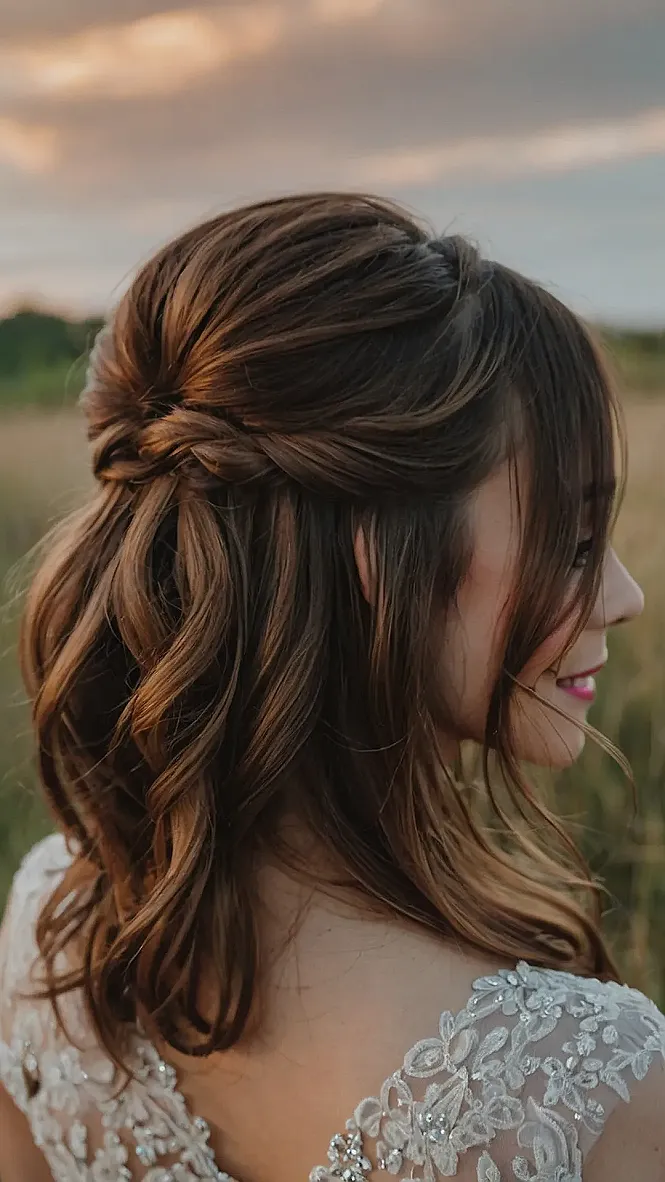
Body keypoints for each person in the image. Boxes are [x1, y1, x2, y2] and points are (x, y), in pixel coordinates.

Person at [0, 191, 662, 1182]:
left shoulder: (52, 932)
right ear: (376, 558)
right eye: (570, 542)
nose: (623, 595)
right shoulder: (581, 1089)